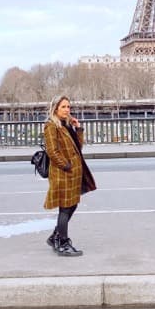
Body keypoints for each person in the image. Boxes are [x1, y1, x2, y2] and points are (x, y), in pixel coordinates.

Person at [42, 94, 96, 257]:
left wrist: (78, 129)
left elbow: (78, 147)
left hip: (73, 172)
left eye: (68, 107)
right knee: (65, 208)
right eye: (63, 107)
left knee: (72, 205)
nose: (67, 110)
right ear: (55, 108)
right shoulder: (51, 126)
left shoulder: (65, 124)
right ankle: (63, 243)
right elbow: (52, 150)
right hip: (62, 173)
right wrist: (66, 165)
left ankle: (55, 237)